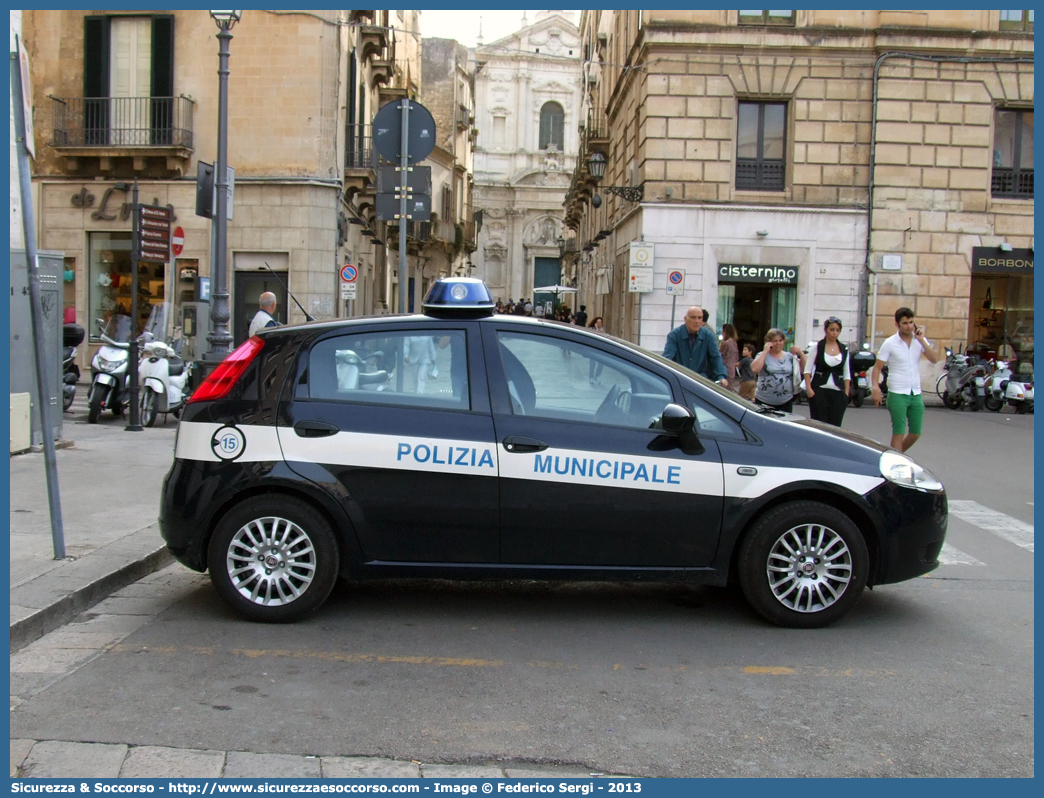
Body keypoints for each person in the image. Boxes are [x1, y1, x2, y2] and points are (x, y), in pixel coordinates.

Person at [872, 307, 941, 452]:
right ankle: (897, 461)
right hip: (897, 392)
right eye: (905, 323)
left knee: (915, 433)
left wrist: (922, 340)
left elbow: (934, 359)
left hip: (915, 392)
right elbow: (877, 367)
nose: (909, 326)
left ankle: (895, 455)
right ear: (897, 324)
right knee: (899, 431)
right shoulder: (890, 343)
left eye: (911, 322)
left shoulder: (919, 341)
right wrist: (876, 388)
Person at [662, 306, 728, 386]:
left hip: (700, 381)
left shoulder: (708, 335)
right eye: (693, 317)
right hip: (679, 380)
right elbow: (667, 358)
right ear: (685, 319)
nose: (697, 321)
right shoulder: (675, 335)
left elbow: (715, 357)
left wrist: (721, 376)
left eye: (700, 318)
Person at [804, 316, 851, 426]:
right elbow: (807, 369)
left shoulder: (844, 349)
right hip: (819, 390)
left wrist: (846, 393)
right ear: (825, 330)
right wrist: (809, 389)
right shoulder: (818, 346)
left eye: (837, 330)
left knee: (835, 425)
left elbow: (846, 372)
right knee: (819, 424)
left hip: (838, 392)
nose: (834, 333)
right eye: (832, 330)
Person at [751, 328, 807, 413]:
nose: (778, 343)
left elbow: (806, 369)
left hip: (786, 401)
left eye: (780, 340)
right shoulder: (762, 355)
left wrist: (800, 353)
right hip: (764, 400)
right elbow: (754, 369)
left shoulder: (789, 357)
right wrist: (765, 351)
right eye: (775, 341)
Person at [718, 323, 739, 390]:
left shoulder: (726, 343)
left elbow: (720, 354)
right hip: (732, 368)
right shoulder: (734, 342)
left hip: (725, 367)